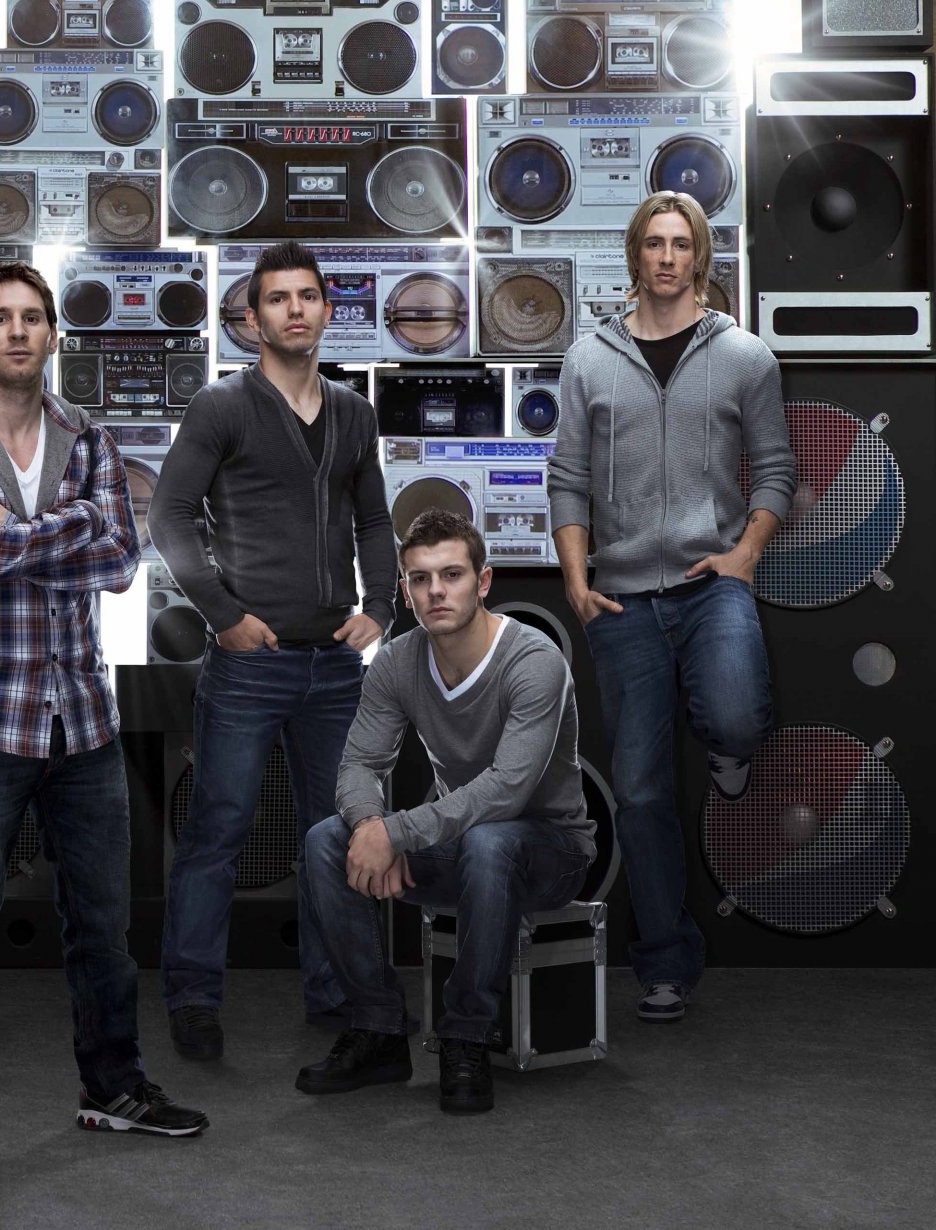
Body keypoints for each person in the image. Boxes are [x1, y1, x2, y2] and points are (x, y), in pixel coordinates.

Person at [0, 261, 209, 1169]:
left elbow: (120, 562)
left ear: (51, 334)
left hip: (83, 721)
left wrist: (17, 531)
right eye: (0, 318)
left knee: (104, 933)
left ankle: (113, 1089)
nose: (18, 331)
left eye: (33, 317)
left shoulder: (90, 438)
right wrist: (64, 530)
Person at [548, 190, 796, 1025]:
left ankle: (731, 753)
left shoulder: (745, 356)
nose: (666, 257)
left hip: (710, 582)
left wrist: (744, 555)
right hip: (621, 599)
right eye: (653, 243)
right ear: (635, 254)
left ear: (699, 256)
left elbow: (776, 469)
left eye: (680, 243)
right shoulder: (588, 359)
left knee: (734, 717)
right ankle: (664, 965)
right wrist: (576, 581)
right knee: (642, 793)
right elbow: (568, 477)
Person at [148, 240, 392, 1060]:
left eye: (308, 296)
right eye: (278, 298)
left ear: (327, 309)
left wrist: (381, 606)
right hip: (250, 664)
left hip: (335, 667)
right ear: (252, 319)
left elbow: (374, 520)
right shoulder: (222, 406)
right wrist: (222, 615)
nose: (295, 309)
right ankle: (192, 999)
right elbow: (169, 517)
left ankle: (338, 992)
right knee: (217, 830)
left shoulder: (353, 413)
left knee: (338, 833)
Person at [298, 508, 597, 1115]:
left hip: (551, 853)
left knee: (493, 839)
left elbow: (506, 791)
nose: (436, 590)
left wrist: (398, 833)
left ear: (482, 582)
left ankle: (467, 1037)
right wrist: (370, 827)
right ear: (405, 591)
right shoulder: (396, 662)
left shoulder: (533, 661)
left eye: (452, 575)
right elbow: (359, 764)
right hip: (461, 847)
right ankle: (379, 1028)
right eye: (421, 578)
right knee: (326, 840)